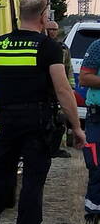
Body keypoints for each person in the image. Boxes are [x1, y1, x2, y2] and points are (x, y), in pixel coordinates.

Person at [0, 0, 85, 224]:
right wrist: (76, 127)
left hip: (7, 122)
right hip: (37, 123)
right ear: (44, 15)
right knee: (33, 182)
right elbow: (62, 90)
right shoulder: (48, 47)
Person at [75, 37, 100, 224]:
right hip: (98, 116)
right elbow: (84, 78)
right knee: (97, 167)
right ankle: (94, 217)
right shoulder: (98, 46)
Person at [45, 20, 73, 158]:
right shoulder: (41, 45)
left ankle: (58, 148)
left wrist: (70, 87)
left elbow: (68, 69)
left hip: (59, 88)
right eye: (50, 29)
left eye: (55, 29)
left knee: (61, 119)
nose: (53, 32)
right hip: (45, 90)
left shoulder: (63, 48)